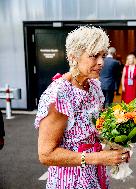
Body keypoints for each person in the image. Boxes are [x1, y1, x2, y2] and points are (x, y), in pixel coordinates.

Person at [34, 26, 129, 189]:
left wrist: (114, 147)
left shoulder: (94, 86)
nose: (101, 62)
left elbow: (92, 132)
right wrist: (98, 158)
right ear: (73, 57)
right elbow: (46, 155)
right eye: (94, 56)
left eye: (103, 55)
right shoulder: (60, 94)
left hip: (94, 174)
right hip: (70, 180)